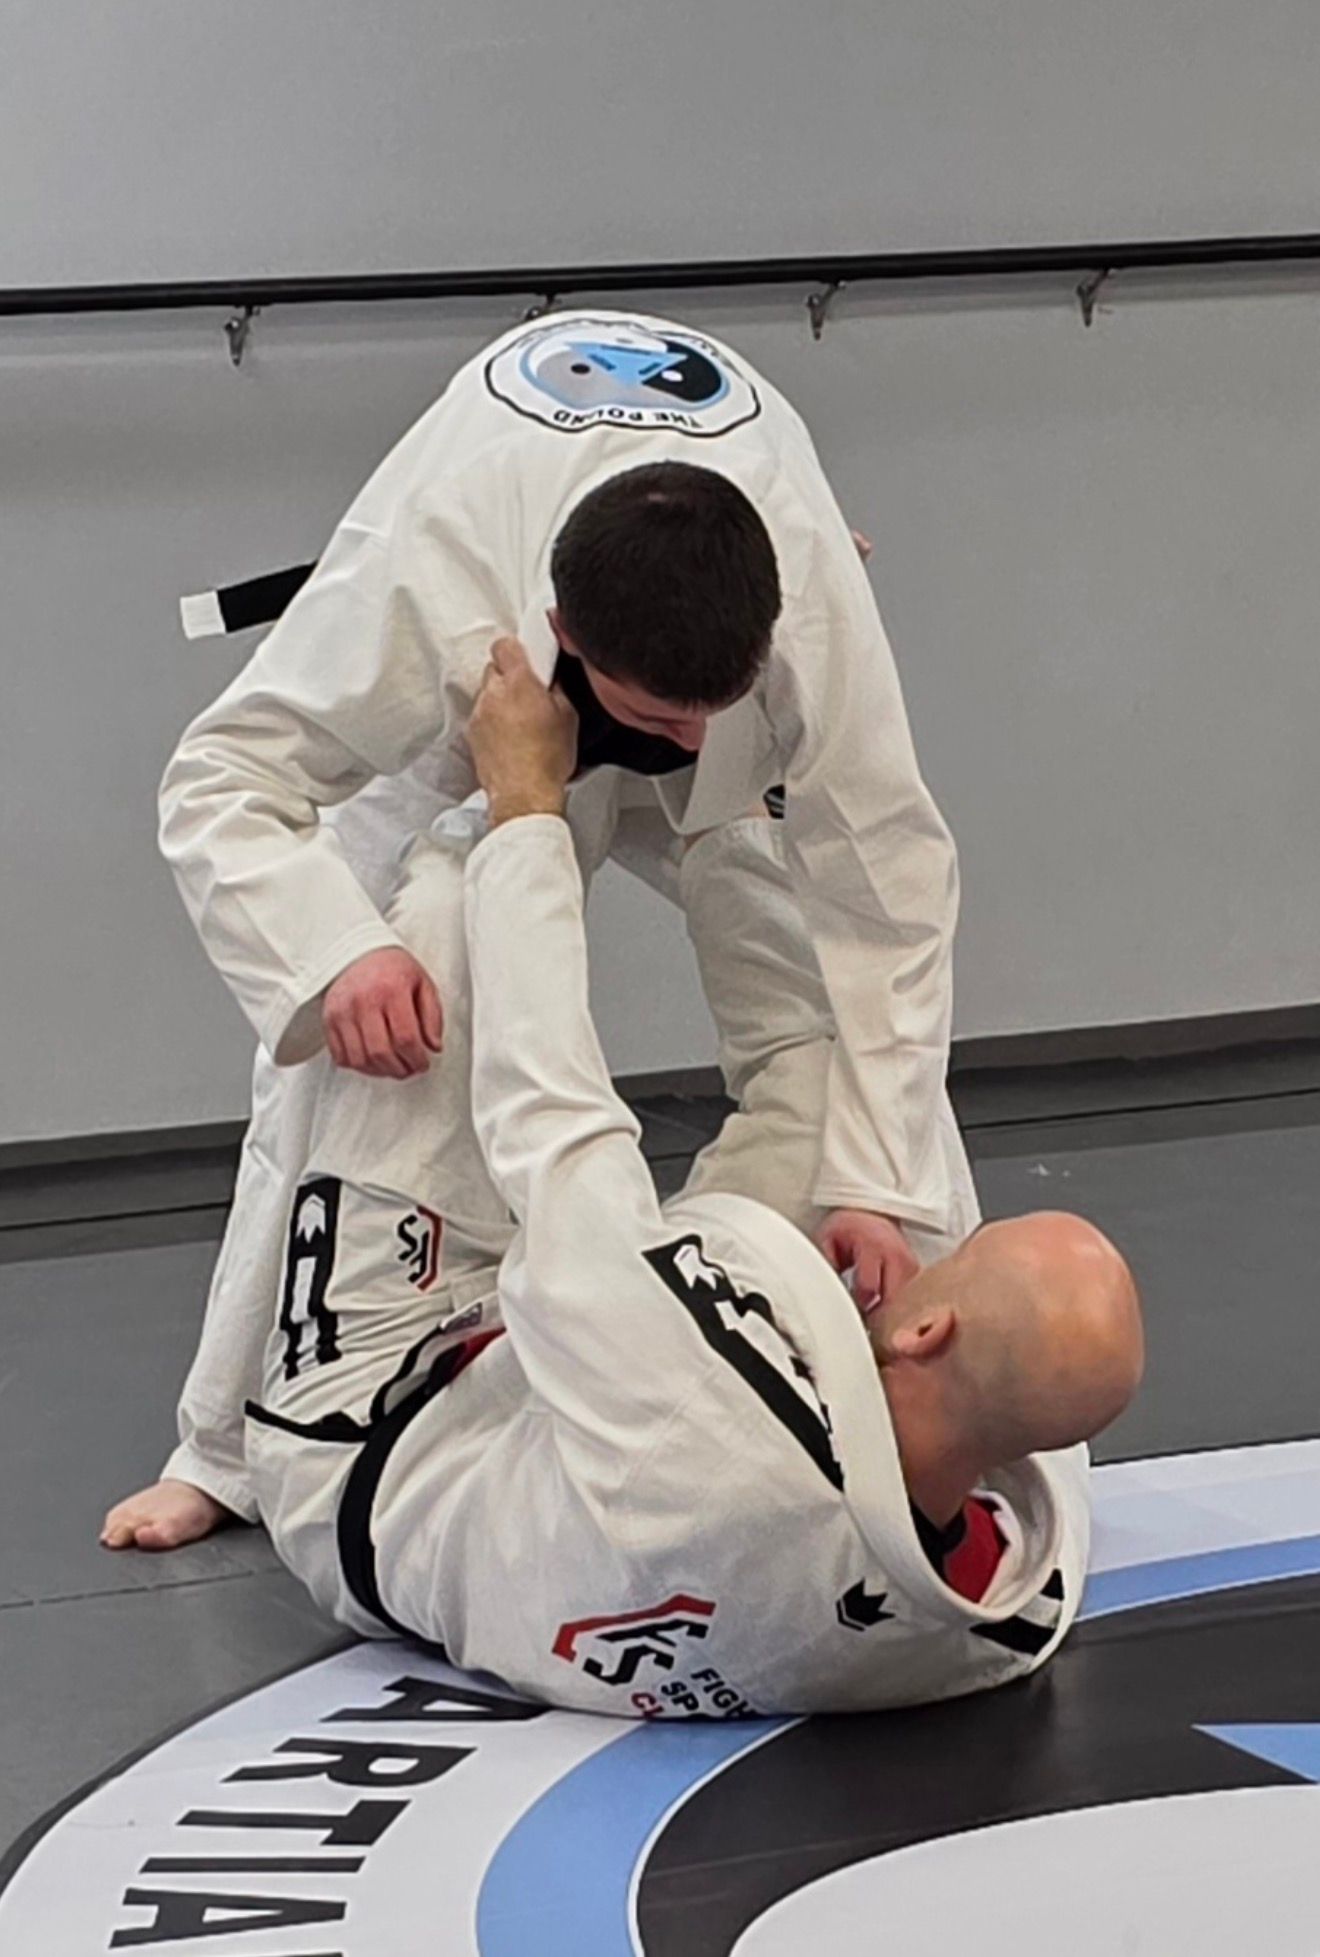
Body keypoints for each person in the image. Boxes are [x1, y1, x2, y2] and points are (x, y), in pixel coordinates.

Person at [105, 309, 972, 1551]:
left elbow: (890, 889)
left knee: (849, 1017)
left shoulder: (809, 595)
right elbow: (220, 779)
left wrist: (874, 1184)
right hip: (476, 716)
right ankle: (223, 1445)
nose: (684, 743)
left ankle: (918, 1370)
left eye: (708, 713)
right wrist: (337, 952)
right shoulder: (426, 574)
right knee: (346, 1042)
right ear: (566, 632)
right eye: (659, 717)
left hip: (707, 638)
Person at [239, 642, 1141, 1717]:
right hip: (604, 1416)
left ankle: (551, 737)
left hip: (387, 1430)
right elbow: (918, 1190)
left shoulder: (705, 1427)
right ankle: (712, 798)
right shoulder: (1009, 1604)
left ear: (923, 1328)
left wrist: (525, 812)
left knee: (440, 925)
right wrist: (739, 776)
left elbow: (551, 1126)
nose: (928, 1254)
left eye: (956, 1260)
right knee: (846, 1117)